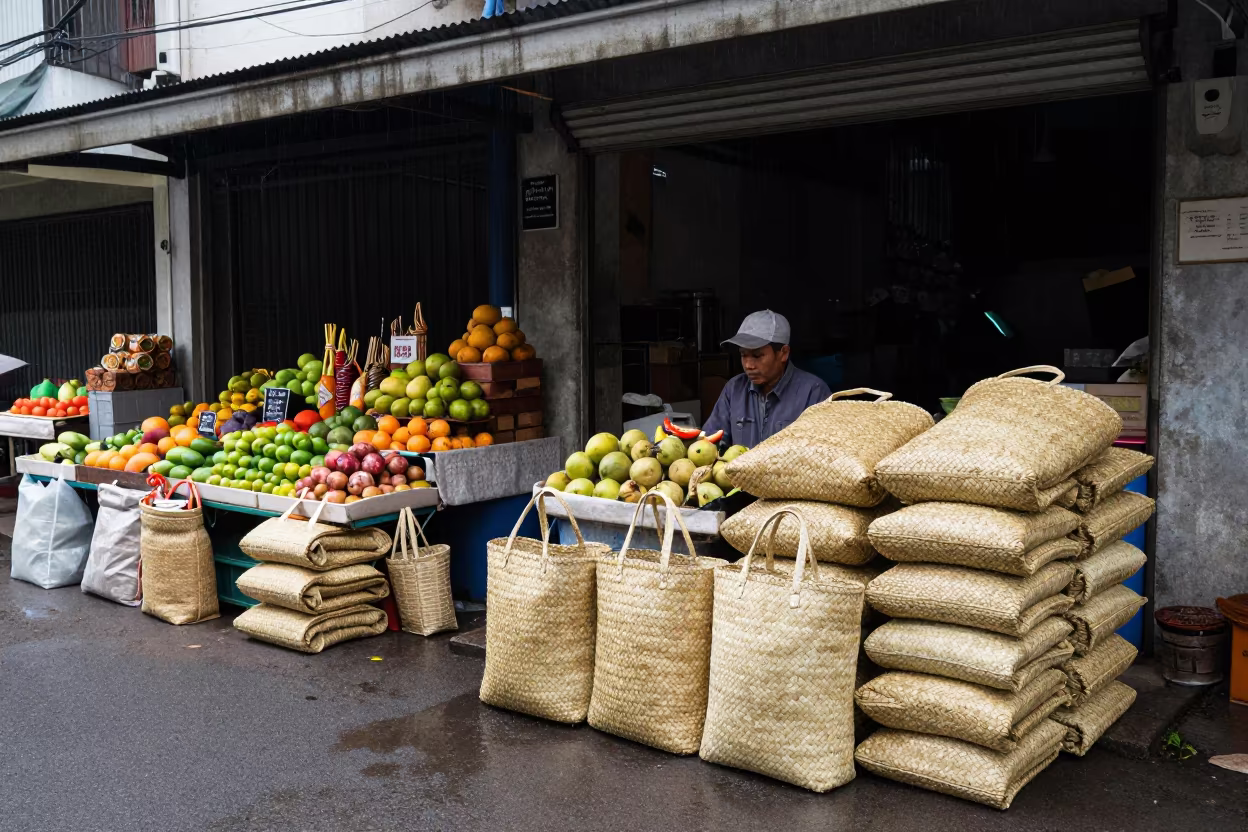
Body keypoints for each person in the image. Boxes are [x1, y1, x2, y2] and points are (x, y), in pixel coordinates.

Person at [704, 310, 830, 447]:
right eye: (743, 355)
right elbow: (710, 442)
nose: (748, 365)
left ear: (783, 353)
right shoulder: (734, 389)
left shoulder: (813, 392)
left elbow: (824, 452)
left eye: (757, 355)